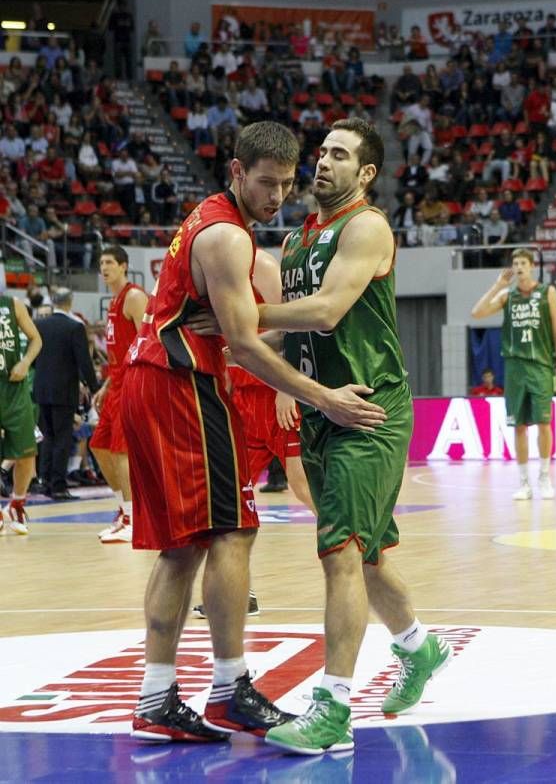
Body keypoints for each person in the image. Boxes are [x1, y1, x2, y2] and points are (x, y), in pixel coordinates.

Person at [120, 121, 387, 745]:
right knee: (234, 530)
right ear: (236, 172)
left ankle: (156, 697)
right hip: (181, 383)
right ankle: (230, 688)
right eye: (266, 183)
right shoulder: (227, 238)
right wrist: (322, 397)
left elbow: (240, 330)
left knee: (181, 547)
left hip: (152, 380)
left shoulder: (206, 219)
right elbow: (241, 344)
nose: (277, 196)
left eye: (287, 185)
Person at [215, 118, 452, 755]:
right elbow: (297, 336)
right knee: (366, 555)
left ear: (365, 174)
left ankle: (334, 709)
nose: (323, 163)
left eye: (339, 156)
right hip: (322, 408)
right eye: (322, 152)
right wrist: (262, 365)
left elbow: (324, 312)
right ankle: (420, 648)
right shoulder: (295, 240)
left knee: (340, 553)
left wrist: (240, 315)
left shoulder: (367, 227)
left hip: (368, 410)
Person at [192, 247, 315, 619]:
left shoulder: (261, 265)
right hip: (241, 399)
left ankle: (357, 555)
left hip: (274, 396)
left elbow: (292, 327)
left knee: (303, 485)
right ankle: (240, 592)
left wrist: (286, 388)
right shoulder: (215, 269)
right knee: (234, 497)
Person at [471, 249, 556, 500]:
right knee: (519, 426)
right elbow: (477, 313)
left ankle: (545, 476)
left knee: (544, 424)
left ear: (533, 266)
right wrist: (497, 285)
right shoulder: (507, 296)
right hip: (514, 368)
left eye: (523, 263)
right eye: (515, 263)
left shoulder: (548, 293)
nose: (519, 267)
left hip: (540, 366)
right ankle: (524, 482)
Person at [90, 246, 147, 543]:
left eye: (110, 262)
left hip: (131, 385)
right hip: (115, 383)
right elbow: (118, 351)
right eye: (101, 263)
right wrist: (106, 385)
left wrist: (135, 384)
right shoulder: (112, 301)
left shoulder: (135, 297)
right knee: (98, 446)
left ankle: (134, 518)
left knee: (122, 451)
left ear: (124, 266)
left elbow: (148, 342)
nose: (104, 267)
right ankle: (124, 510)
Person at [33, 288, 98, 499]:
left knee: (48, 436)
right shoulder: (74, 327)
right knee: (62, 437)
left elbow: (34, 357)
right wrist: (95, 387)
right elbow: (84, 361)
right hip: (63, 389)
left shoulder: (39, 325)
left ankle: (44, 481)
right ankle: (59, 486)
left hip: (42, 388)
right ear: (70, 302)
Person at [0, 294, 42, 534]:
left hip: (14, 387)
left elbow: (36, 340)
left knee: (27, 452)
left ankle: (17, 504)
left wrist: (25, 362)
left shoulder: (12, 304)